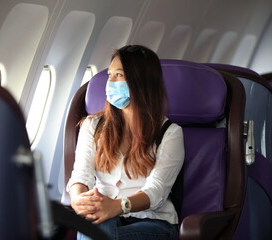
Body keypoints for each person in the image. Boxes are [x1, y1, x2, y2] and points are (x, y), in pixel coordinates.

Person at [66, 45, 185, 240]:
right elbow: (81, 175)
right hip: (103, 216)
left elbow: (156, 191)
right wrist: (78, 199)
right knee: (97, 223)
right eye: (109, 75)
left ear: (141, 81)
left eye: (118, 75)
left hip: (152, 222)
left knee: (97, 228)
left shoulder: (169, 133)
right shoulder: (93, 125)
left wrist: (118, 206)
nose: (109, 82)